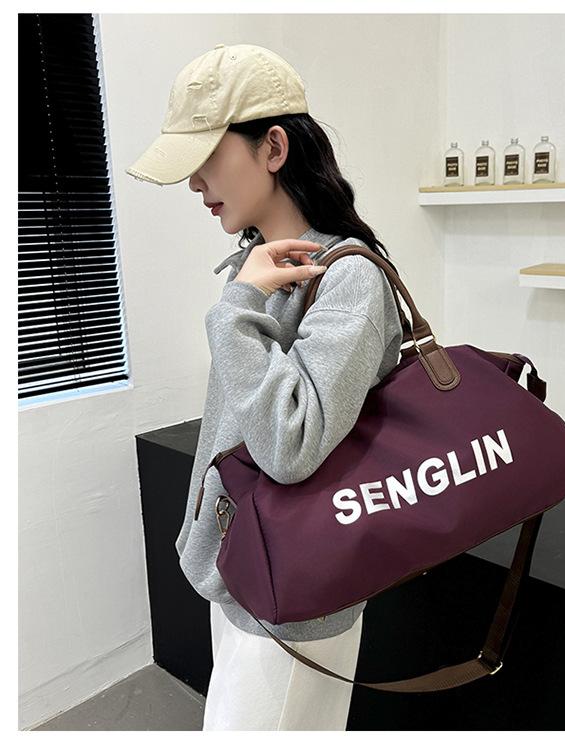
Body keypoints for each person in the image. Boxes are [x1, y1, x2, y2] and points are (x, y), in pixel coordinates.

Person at [126, 43, 404, 730]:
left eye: (206, 156)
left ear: (274, 147)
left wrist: (236, 312)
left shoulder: (350, 279)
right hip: (248, 569)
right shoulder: (260, 266)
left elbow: (291, 444)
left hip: (294, 595)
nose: (195, 182)